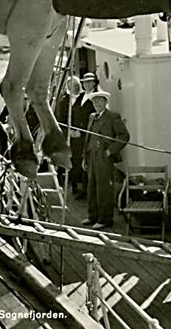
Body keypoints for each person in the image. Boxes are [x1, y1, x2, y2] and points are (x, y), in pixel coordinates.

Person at [82, 91, 130, 230]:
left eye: (99, 101)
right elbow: (88, 139)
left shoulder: (112, 117)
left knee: (104, 189)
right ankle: (93, 217)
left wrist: (110, 151)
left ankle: (105, 219)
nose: (96, 104)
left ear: (105, 102)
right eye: (94, 102)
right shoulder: (92, 117)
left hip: (104, 157)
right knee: (91, 187)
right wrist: (84, 158)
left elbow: (124, 136)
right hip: (91, 157)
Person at [55, 76, 82, 190]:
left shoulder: (82, 99)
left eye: (75, 85)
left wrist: (79, 131)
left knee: (77, 158)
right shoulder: (63, 100)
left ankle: (76, 182)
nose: (73, 88)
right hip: (67, 133)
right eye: (70, 85)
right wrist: (68, 131)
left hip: (80, 133)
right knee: (65, 156)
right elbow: (61, 118)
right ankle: (64, 180)